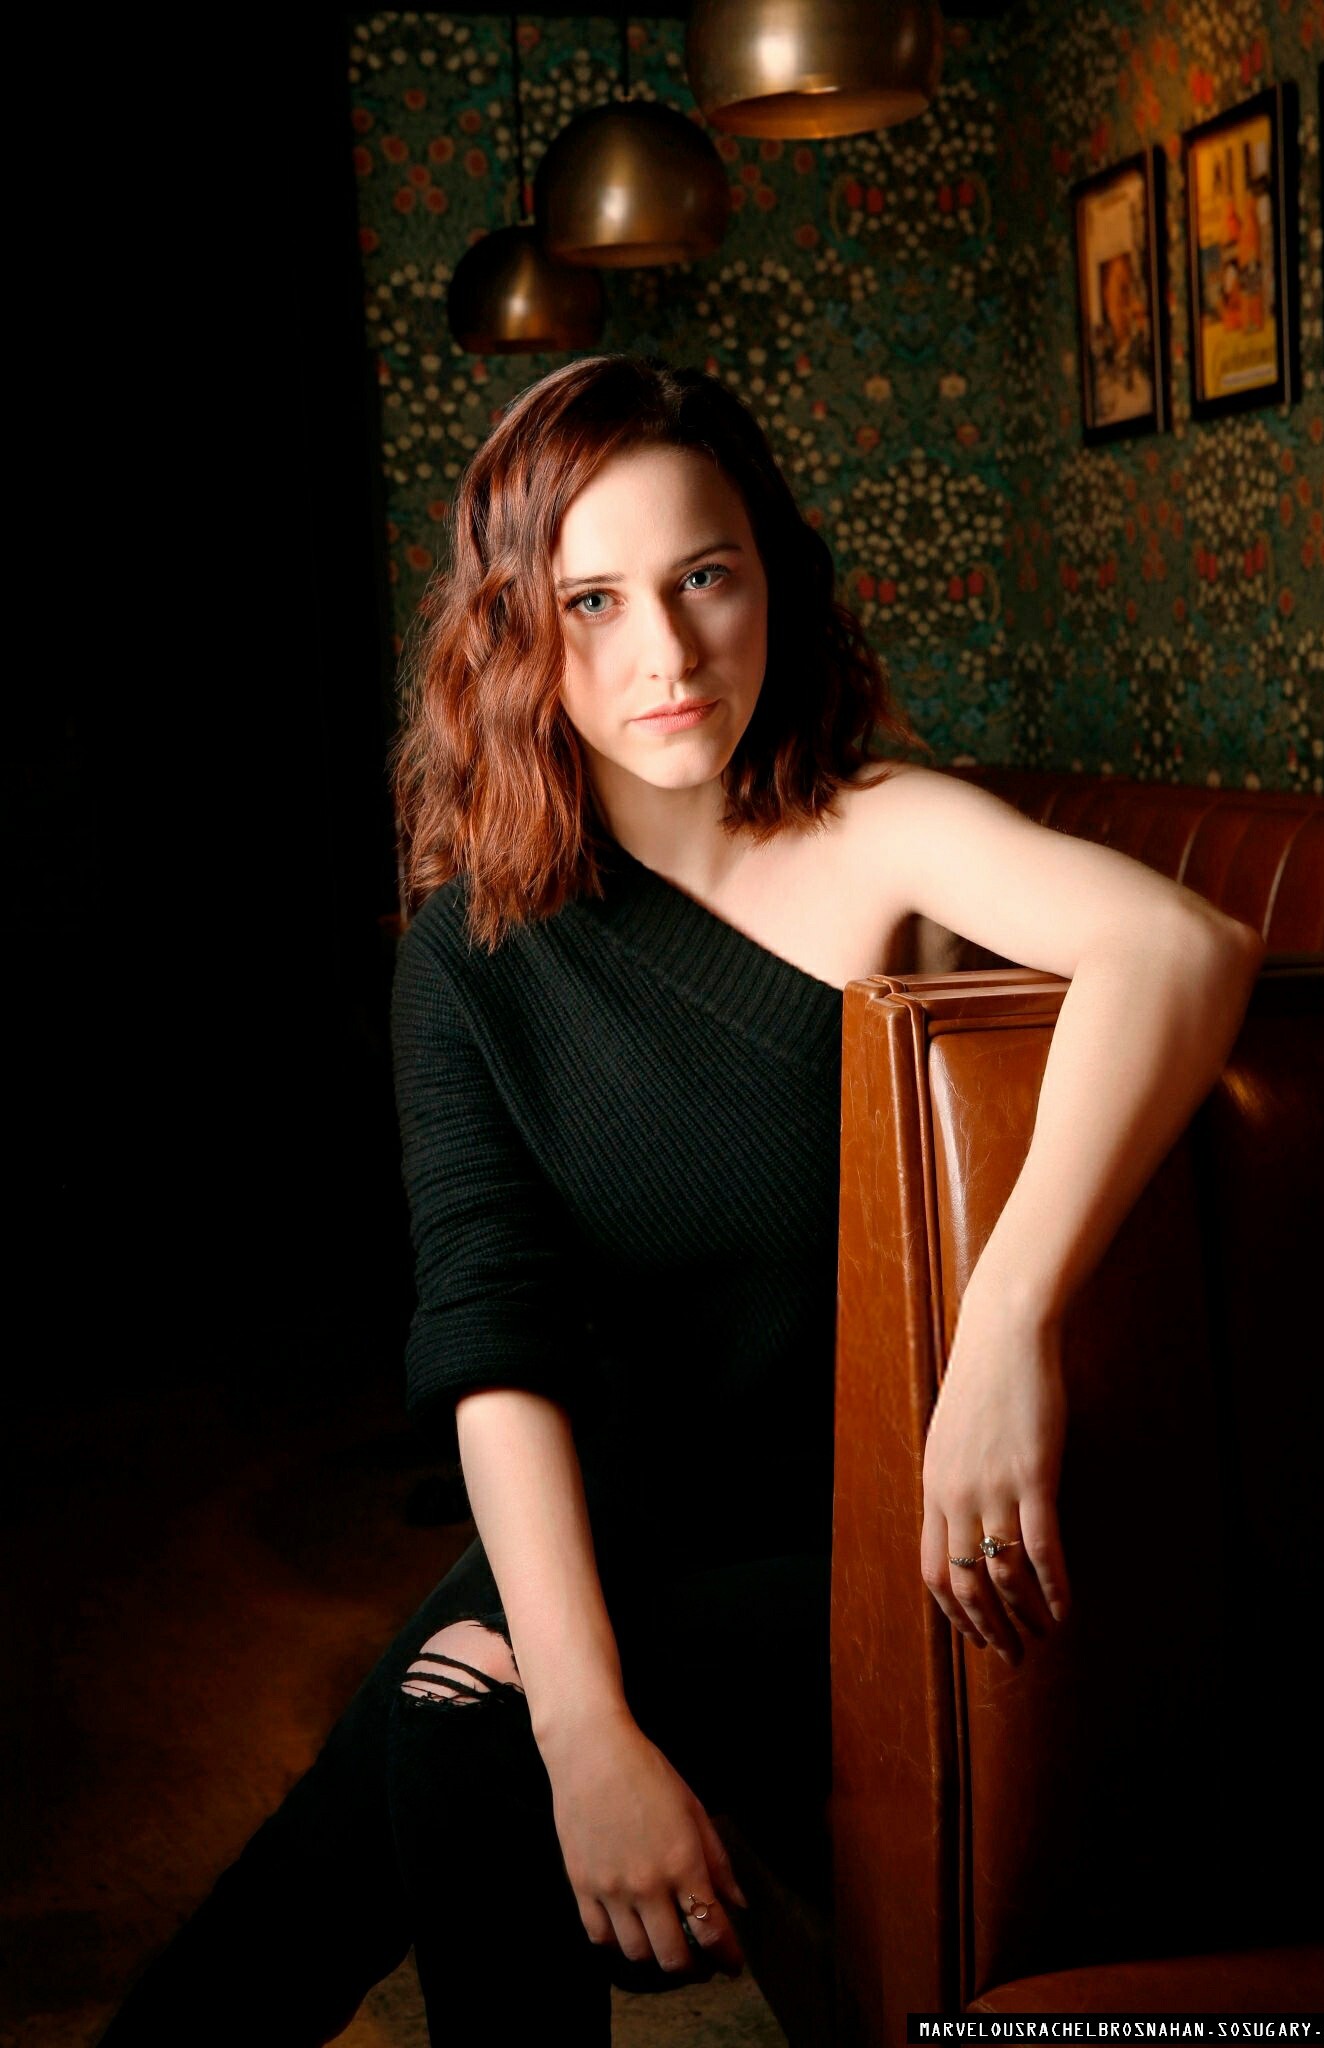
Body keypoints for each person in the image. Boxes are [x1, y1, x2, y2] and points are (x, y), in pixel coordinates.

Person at [100, 353, 1264, 2046]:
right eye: (592, 600)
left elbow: (1178, 944)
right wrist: (587, 1733)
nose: (664, 650)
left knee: (446, 1733)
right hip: (633, 1520)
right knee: (439, 1751)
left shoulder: (880, 828)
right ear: (515, 631)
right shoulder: (471, 948)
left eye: (703, 575)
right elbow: (491, 1336)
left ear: (768, 576)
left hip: (867, 1538)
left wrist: (1004, 1327)